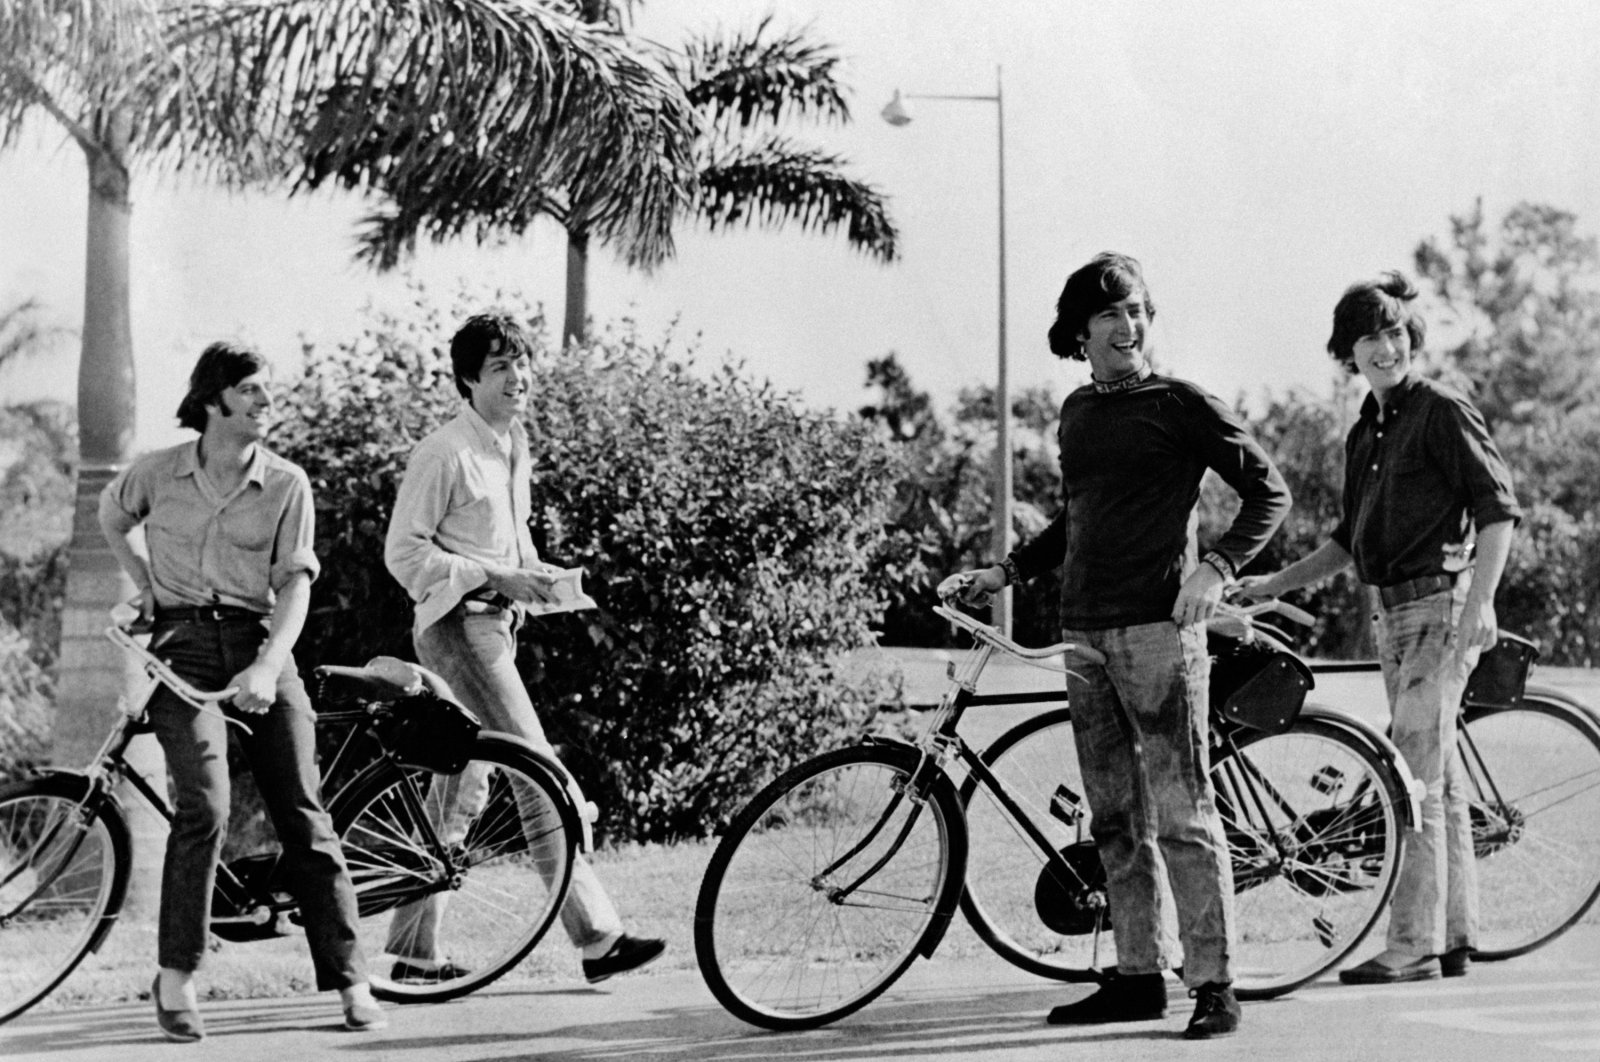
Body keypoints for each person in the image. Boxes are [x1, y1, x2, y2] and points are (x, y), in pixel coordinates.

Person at [942, 252, 1290, 1040]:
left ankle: (1213, 984)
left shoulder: (1181, 403)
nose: (1129, 327)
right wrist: (1005, 570)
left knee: (1183, 814)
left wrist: (1215, 567)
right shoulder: (1077, 411)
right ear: (1080, 331)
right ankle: (1139, 975)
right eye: (1111, 316)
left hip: (1160, 633)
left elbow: (1270, 491)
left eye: (1138, 312)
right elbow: (1078, 518)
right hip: (1084, 634)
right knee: (1112, 820)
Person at [1237, 271, 1519, 985]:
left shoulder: (1441, 409)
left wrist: (1481, 603)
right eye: (1369, 338)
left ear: (1409, 338)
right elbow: (1345, 542)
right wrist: (1271, 584)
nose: (1385, 348)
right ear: (1349, 352)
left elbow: (1497, 511)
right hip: (1393, 617)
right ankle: (1456, 937)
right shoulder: (1367, 428)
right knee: (1439, 781)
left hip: (1440, 610)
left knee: (1410, 780)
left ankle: (1411, 945)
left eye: (1394, 334)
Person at [99, 342, 385, 1042]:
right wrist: (146, 591)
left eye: (269, 392)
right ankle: (177, 978)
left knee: (303, 813)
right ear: (213, 398)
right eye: (252, 390)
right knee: (205, 807)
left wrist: (265, 671)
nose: (265, 403)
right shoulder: (158, 473)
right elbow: (113, 515)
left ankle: (351, 980)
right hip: (183, 650)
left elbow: (295, 588)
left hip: (261, 643)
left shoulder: (289, 484)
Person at [383, 312, 665, 986]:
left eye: (523, 364)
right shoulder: (444, 452)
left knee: (461, 783)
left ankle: (409, 954)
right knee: (535, 767)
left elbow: (515, 558)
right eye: (502, 366)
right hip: (460, 626)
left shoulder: (511, 447)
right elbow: (404, 553)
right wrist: (488, 576)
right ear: (468, 379)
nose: (519, 378)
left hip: (494, 626)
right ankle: (599, 937)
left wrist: (565, 585)